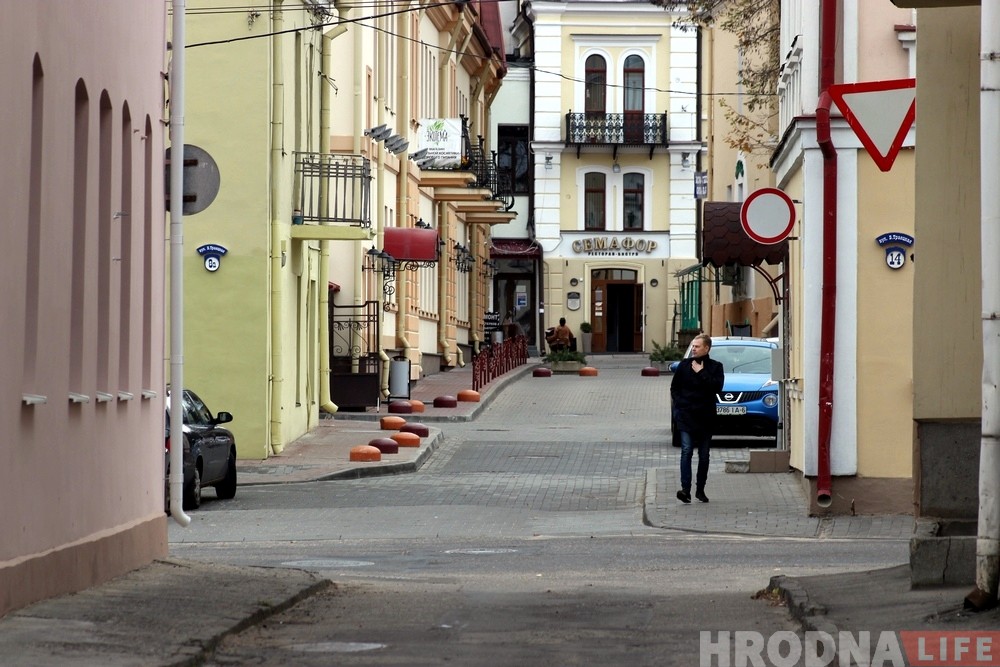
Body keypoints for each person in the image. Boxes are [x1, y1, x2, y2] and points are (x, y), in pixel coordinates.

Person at [670, 333, 725, 504]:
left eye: (697, 346)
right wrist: (680, 405)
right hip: (686, 415)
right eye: (693, 346)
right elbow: (674, 388)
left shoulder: (715, 367)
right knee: (686, 451)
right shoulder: (684, 366)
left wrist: (701, 372)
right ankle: (685, 490)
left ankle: (700, 489)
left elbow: (717, 387)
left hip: (705, 417)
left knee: (704, 455)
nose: (693, 349)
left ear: (706, 348)